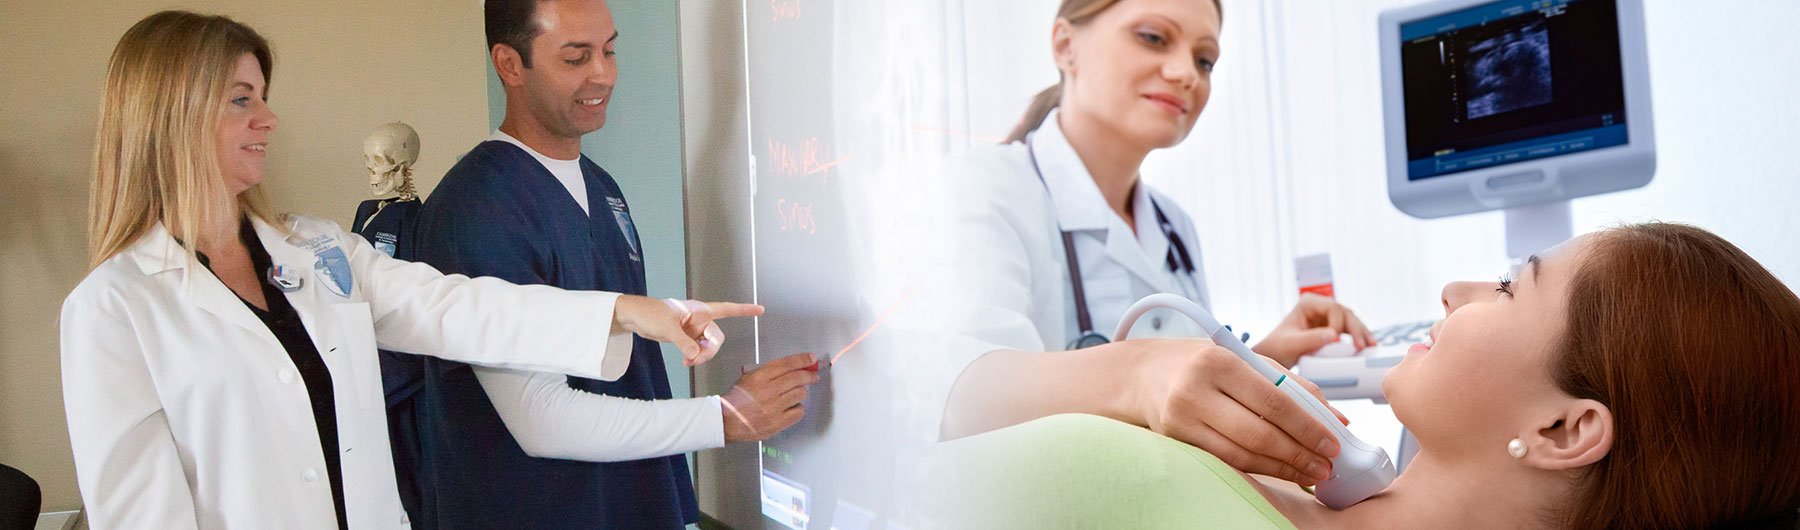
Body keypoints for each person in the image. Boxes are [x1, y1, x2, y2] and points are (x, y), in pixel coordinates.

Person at [59, 11, 758, 529]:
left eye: (262, 96)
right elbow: (141, 517)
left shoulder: (315, 251)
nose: (269, 119)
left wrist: (626, 311)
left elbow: (451, 308)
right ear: (169, 114)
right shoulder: (113, 309)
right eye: (243, 99)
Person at [933, 223, 1800, 529]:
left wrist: (1128, 379)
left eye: (1507, 287)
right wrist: (1137, 373)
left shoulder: (1152, 489)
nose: (1454, 292)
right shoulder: (1305, 474)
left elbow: (921, 429)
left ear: (1563, 430)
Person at [399, 1, 818, 528]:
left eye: (610, 50)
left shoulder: (602, 189)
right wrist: (724, 417)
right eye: (576, 58)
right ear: (509, 64)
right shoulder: (477, 209)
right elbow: (539, 417)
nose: (604, 74)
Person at [933, 0, 1374, 488]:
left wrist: (1264, 358)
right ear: (1065, 45)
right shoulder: (980, 187)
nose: (1186, 73)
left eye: (1205, 60)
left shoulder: (1173, 225)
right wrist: (1139, 371)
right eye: (1153, 37)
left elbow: (1178, 399)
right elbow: (959, 395)